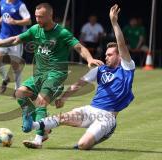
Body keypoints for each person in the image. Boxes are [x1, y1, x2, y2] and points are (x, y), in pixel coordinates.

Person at [0, 3, 103, 148]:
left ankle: (38, 139)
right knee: (20, 93)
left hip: (56, 74)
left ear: (50, 15)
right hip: (39, 75)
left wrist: (90, 59)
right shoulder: (35, 29)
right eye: (36, 16)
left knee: (40, 102)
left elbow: (79, 47)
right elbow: (15, 39)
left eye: (41, 17)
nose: (37, 20)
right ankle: (32, 120)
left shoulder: (62, 33)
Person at [22, 4, 135, 149]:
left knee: (82, 145)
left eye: (110, 55)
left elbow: (121, 44)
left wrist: (114, 22)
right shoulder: (100, 69)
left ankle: (104, 133)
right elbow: (80, 82)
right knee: (62, 117)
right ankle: (33, 125)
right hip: (91, 110)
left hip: (107, 117)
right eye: (105, 54)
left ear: (120, 56)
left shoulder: (127, 67)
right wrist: (64, 97)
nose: (106, 57)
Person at [0, 0, 31, 95]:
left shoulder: (20, 5)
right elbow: (5, 15)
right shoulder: (2, 2)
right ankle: (5, 79)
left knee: (15, 66)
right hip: (2, 37)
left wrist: (15, 22)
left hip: (16, 39)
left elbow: (29, 21)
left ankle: (17, 90)